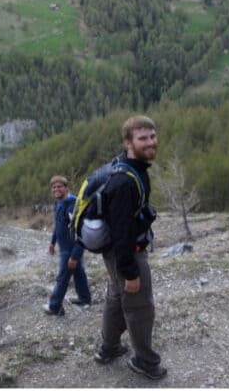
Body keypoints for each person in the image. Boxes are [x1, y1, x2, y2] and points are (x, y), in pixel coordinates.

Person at [94, 115, 166, 380]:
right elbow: (122, 232)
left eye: (153, 136)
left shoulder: (130, 167)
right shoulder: (124, 182)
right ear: (128, 142)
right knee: (139, 307)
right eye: (142, 138)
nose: (150, 142)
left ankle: (109, 348)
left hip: (117, 253)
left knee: (116, 297)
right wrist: (131, 272)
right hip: (126, 254)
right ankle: (145, 362)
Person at [43, 176, 92, 316]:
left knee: (62, 278)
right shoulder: (59, 204)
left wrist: (75, 255)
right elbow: (58, 225)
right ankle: (85, 298)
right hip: (64, 248)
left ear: (66, 188)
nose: (56, 189)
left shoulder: (72, 206)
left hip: (72, 249)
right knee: (78, 273)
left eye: (59, 186)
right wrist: (53, 242)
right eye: (53, 187)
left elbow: (81, 231)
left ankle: (55, 306)